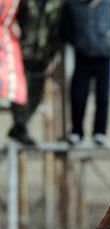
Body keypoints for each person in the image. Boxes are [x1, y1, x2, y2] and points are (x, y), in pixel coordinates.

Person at [60, 0, 110, 145]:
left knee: (103, 96)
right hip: (82, 56)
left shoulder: (109, 3)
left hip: (104, 56)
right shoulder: (72, 4)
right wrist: (78, 42)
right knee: (78, 95)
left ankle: (99, 132)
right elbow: (65, 28)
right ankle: (77, 131)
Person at [7, 0, 63, 145]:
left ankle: (19, 127)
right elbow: (9, 15)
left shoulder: (56, 4)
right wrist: (11, 25)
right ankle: (20, 127)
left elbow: (58, 31)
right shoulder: (24, 2)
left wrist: (53, 55)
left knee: (36, 95)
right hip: (21, 51)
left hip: (43, 55)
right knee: (19, 93)